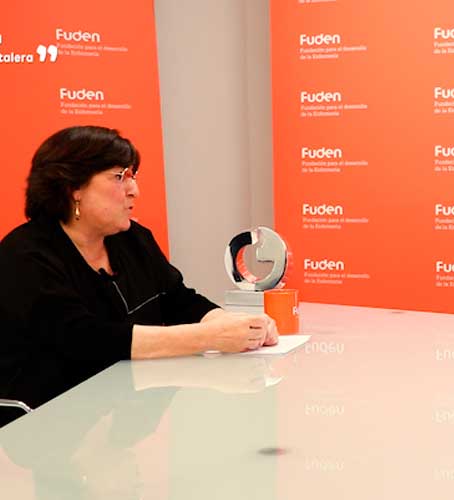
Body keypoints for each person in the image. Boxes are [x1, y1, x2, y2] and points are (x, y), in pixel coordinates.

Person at [0, 126, 278, 426]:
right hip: (42, 421)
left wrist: (234, 324)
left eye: (133, 176)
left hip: (123, 408)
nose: (134, 190)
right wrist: (211, 337)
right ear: (73, 188)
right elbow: (86, 341)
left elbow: (179, 300)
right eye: (120, 176)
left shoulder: (132, 238)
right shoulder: (25, 255)